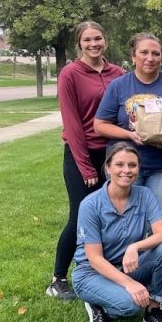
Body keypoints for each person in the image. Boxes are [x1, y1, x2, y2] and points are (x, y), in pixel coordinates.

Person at [47, 21, 125, 301]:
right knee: (80, 215)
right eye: (88, 40)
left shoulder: (118, 73)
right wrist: (85, 166)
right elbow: (72, 124)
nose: (94, 44)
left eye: (98, 38)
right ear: (79, 44)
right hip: (83, 153)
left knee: (112, 214)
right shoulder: (70, 74)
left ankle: (103, 269)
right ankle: (58, 278)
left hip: (113, 154)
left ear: (106, 40)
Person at [71, 142, 162, 322]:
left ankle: (153, 311)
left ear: (138, 168)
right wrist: (130, 284)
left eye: (132, 165)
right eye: (119, 165)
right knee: (131, 305)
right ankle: (97, 304)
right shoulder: (90, 204)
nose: (126, 170)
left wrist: (134, 247)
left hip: (127, 265)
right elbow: (94, 259)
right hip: (92, 273)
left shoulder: (144, 194)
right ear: (108, 168)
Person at [94, 33, 162, 226]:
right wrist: (129, 135)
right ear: (133, 56)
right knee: (124, 226)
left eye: (156, 53)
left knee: (159, 228)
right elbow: (100, 125)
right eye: (144, 52)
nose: (150, 58)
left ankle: (155, 257)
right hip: (124, 167)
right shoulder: (118, 86)